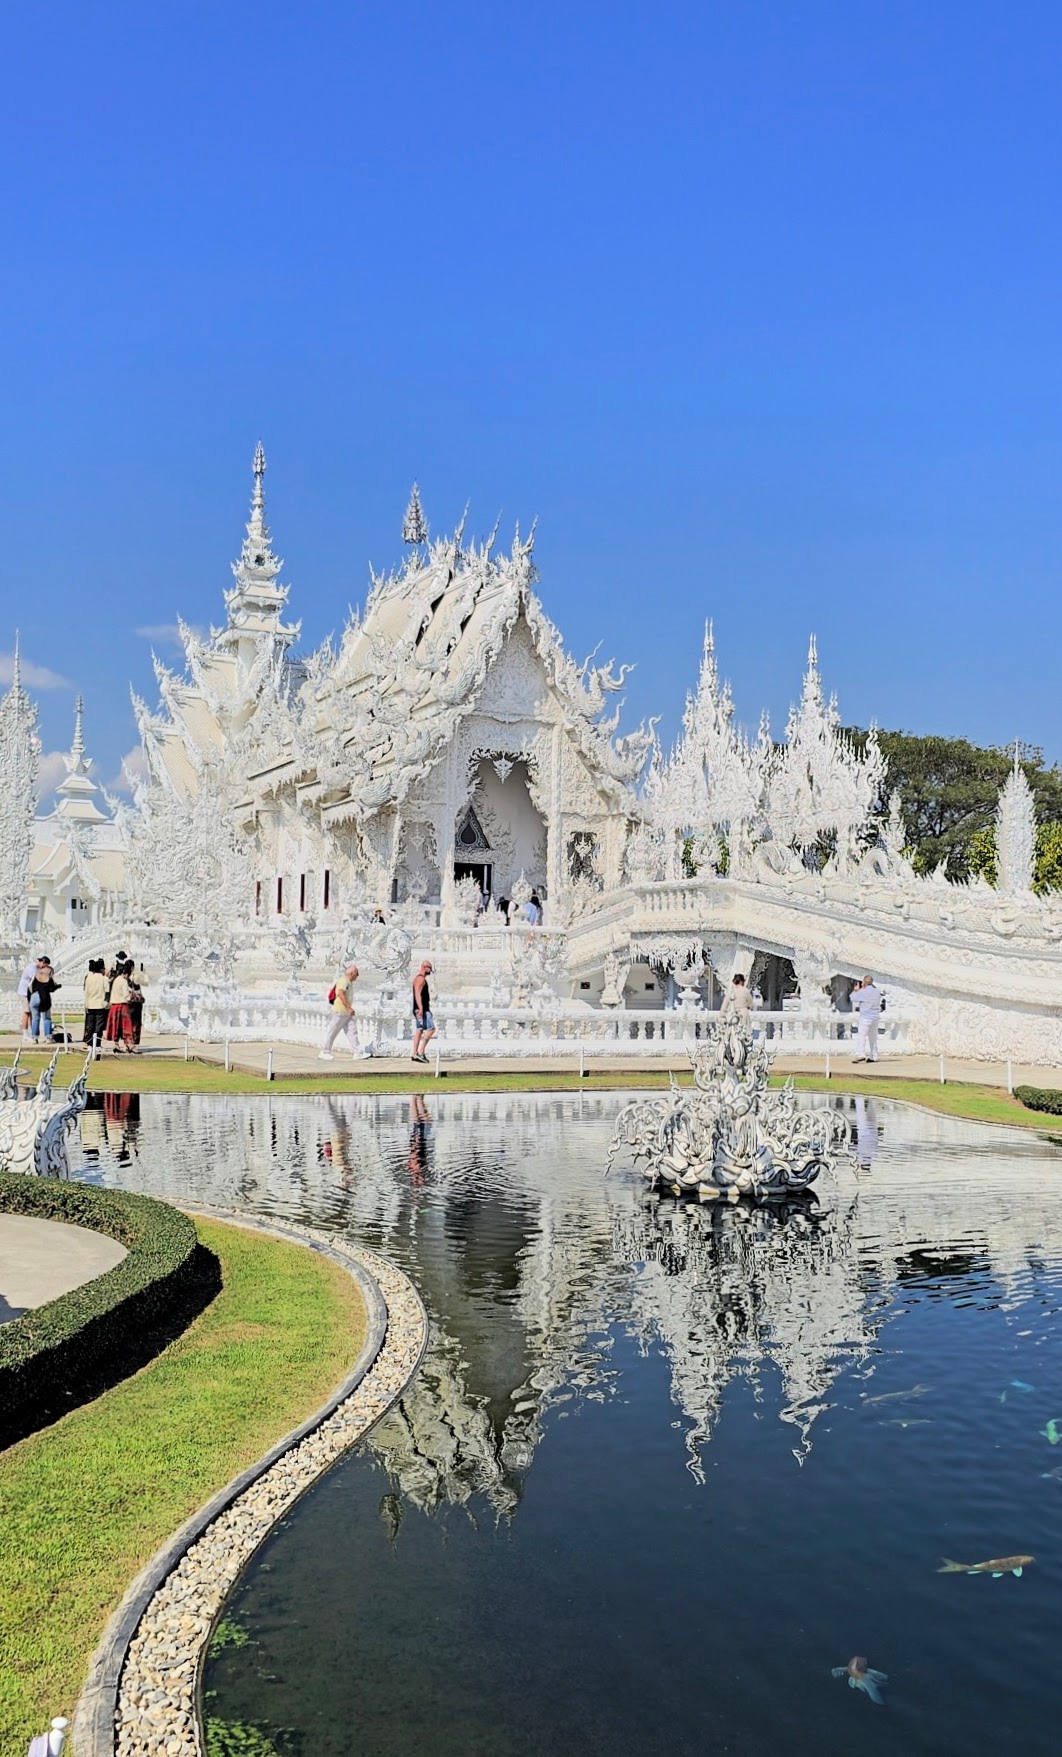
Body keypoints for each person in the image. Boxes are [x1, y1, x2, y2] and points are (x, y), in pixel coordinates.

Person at [320, 964, 371, 1060]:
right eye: (356, 974)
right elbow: (340, 994)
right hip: (340, 1011)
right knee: (332, 1032)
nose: (358, 976)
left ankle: (358, 1052)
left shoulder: (348, 982)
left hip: (346, 1013)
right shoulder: (343, 981)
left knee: (352, 1032)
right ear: (352, 973)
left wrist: (348, 1009)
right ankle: (324, 1052)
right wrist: (348, 1007)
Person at [105, 961, 136, 1052]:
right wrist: (132, 996)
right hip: (122, 1005)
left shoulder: (116, 979)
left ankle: (116, 1044)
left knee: (116, 1026)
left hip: (114, 1005)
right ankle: (129, 1045)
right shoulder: (124, 981)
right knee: (126, 1026)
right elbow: (126, 995)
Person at [852, 974, 883, 1063]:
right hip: (875, 1017)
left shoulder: (863, 991)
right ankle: (874, 1056)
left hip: (866, 1017)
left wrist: (856, 990)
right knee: (873, 1037)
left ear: (864, 982)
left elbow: (853, 998)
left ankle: (860, 1054)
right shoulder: (877, 991)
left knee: (862, 1036)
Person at [29, 958, 60, 1041]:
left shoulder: (36, 975)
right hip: (44, 998)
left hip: (34, 997)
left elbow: (30, 987)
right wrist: (58, 986)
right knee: (47, 1018)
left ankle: (34, 1038)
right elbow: (52, 988)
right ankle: (48, 1037)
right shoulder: (48, 978)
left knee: (35, 1018)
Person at [83, 958, 109, 1053]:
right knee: (99, 1026)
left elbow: (86, 993)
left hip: (90, 1004)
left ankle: (90, 1044)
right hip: (100, 1005)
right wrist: (107, 1003)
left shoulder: (89, 978)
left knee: (90, 1025)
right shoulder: (104, 979)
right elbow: (107, 992)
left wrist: (86, 1004)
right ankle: (97, 1044)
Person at [411, 961, 435, 1063]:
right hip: (423, 1009)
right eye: (430, 968)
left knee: (419, 1030)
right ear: (425, 967)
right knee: (431, 1029)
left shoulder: (418, 979)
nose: (430, 971)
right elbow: (417, 994)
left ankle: (414, 1053)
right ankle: (421, 1052)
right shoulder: (420, 979)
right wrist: (421, 1008)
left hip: (420, 1009)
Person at [17, 955, 38, 1040]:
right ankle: (25, 1034)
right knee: (27, 1012)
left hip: (29, 993)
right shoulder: (31, 968)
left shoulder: (35, 968)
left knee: (31, 1013)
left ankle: (30, 1032)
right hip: (24, 993)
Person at [127, 962, 146, 1047]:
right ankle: (135, 1039)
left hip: (128, 1001)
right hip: (136, 1002)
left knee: (129, 1021)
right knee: (137, 1021)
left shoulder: (124, 977)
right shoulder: (136, 976)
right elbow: (146, 983)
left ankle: (128, 1039)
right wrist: (144, 974)